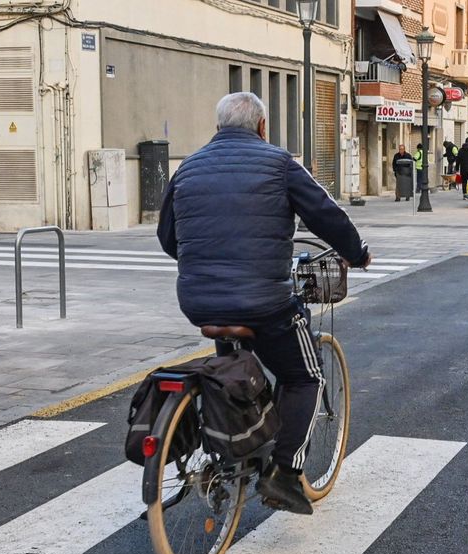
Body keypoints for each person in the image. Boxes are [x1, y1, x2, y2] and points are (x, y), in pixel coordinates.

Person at [157, 92, 371, 515]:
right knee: (305, 376)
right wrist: (357, 252)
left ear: (218, 128)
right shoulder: (279, 163)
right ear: (262, 127)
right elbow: (325, 215)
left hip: (200, 301)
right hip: (262, 302)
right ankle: (284, 473)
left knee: (234, 372)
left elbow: (169, 238)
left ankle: (234, 445)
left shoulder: (187, 169)